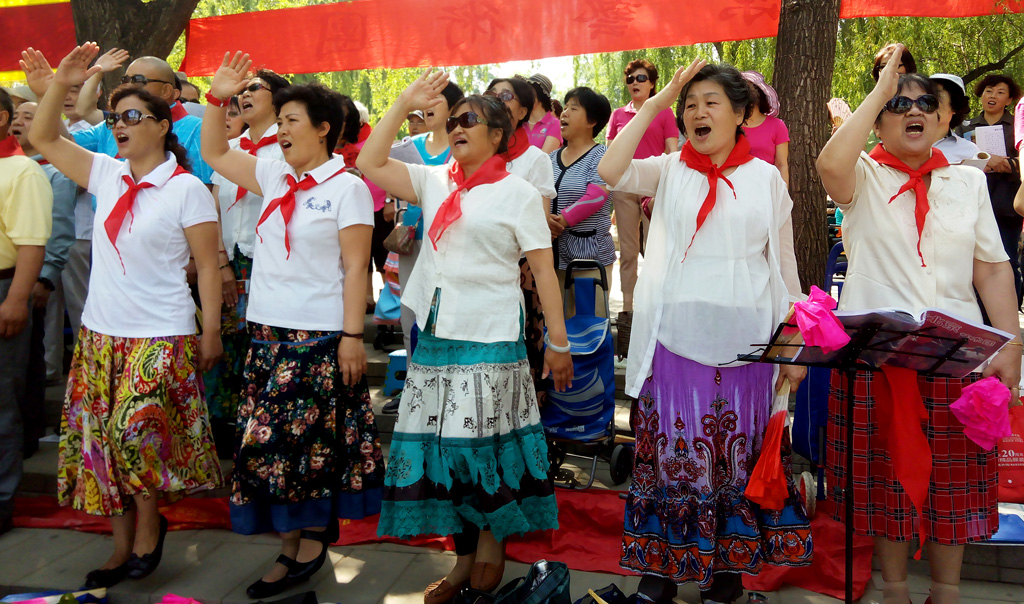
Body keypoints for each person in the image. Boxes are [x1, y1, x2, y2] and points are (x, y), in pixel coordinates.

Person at [598, 60, 811, 604]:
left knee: (734, 462)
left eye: (711, 102)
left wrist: (793, 342)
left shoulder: (767, 179)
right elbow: (610, 169)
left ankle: (725, 578)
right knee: (672, 459)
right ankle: (661, 574)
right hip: (675, 340)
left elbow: (784, 265)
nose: (698, 112)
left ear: (741, 114)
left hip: (748, 348)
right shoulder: (669, 169)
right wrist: (655, 102)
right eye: (690, 104)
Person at [357, 71, 573, 604]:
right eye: (452, 120)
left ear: (498, 135)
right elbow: (369, 162)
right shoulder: (434, 181)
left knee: (483, 448)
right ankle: (462, 559)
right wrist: (403, 102)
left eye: (469, 119)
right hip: (437, 337)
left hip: (492, 336)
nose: (456, 126)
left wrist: (559, 343)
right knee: (445, 455)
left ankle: (492, 544)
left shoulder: (519, 194)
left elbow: (544, 273)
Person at [816, 47, 1021, 604]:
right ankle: (895, 590)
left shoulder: (967, 182)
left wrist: (1012, 343)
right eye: (899, 104)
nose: (914, 111)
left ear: (944, 119)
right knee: (886, 484)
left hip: (958, 356)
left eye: (926, 103)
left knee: (954, 484)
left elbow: (992, 267)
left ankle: (947, 592)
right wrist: (880, 90)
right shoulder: (862, 175)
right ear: (880, 120)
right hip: (879, 359)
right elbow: (829, 165)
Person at [30, 43, 224, 588]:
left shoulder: (187, 189)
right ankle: (121, 549)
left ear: (162, 126)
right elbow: (44, 138)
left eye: (133, 116)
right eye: (116, 117)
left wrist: (211, 331)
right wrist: (60, 84)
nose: (120, 125)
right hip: (100, 335)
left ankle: (150, 526)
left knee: (132, 434)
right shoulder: (107, 174)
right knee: (99, 447)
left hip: (161, 333)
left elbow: (208, 268)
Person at [201, 51, 384, 599]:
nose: (279, 130)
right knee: (272, 448)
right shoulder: (272, 173)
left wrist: (353, 337)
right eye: (277, 120)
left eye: (291, 120)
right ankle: (298, 540)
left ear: (323, 128)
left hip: (318, 339)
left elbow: (356, 268)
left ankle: (299, 548)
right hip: (265, 335)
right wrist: (216, 97)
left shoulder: (347, 188)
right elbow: (213, 152)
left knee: (295, 449)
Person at [205, 69, 289, 428]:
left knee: (265, 340)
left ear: (278, 98)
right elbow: (213, 207)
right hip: (228, 261)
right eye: (242, 89)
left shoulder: (289, 148)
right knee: (228, 342)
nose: (245, 94)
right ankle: (225, 424)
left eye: (255, 87)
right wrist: (220, 262)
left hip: (270, 262)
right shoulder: (229, 148)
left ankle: (261, 423)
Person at [485, 76, 557, 401]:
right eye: (492, 94)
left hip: (521, 269)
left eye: (506, 96)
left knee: (521, 355)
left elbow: (539, 225)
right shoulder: (472, 155)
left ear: (523, 110)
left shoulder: (534, 159)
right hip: (480, 269)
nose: (496, 100)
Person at [10, 102, 76, 458]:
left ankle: (27, 435)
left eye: (29, 117)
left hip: (29, 278)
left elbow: (60, 230)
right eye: (16, 116)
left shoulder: (54, 172)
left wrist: (46, 278)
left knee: (27, 362)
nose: (19, 122)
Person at [0, 87, 52, 536]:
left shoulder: (23, 170)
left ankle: (1, 500)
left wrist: (16, 299)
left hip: (4, 285)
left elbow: (32, 244)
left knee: (1, 400)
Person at [387, 81, 464, 361]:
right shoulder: (409, 146)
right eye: (425, 100)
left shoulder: (462, 146)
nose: (427, 106)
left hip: (449, 241)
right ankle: (413, 378)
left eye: (436, 100)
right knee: (411, 314)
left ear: (454, 108)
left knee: (446, 316)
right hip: (412, 240)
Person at [606, 59, 679, 352]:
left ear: (652, 83)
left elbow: (672, 152)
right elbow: (611, 154)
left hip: (654, 189)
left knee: (655, 249)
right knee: (628, 253)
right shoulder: (618, 115)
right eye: (630, 79)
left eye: (641, 78)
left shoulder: (664, 112)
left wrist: (671, 190)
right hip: (624, 189)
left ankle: (654, 304)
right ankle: (628, 311)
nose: (634, 83)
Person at [958, 73, 1023, 307]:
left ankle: (1008, 313)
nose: (992, 96)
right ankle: (979, 314)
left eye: (1000, 92)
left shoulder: (1016, 126)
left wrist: (1005, 164)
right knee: (973, 263)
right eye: (989, 91)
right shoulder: (965, 127)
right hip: (973, 204)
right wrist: (982, 161)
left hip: (1007, 205)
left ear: (1009, 100)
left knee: (1007, 260)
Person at [548, 86, 615, 304]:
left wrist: (560, 221)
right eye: (565, 107)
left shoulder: (602, 155)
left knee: (589, 320)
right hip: (552, 259)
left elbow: (596, 196)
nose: (564, 113)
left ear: (591, 121)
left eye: (573, 108)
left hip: (589, 260)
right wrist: (543, 220)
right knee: (556, 321)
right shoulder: (549, 159)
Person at [740, 70, 790, 186]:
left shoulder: (777, 126)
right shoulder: (732, 126)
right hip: (736, 188)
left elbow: (781, 165)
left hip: (767, 187)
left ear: (759, 98)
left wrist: (783, 193)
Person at [930, 74, 983, 164]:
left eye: (937, 95)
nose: (929, 102)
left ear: (955, 106)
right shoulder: (906, 143)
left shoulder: (969, 152)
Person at [521, 73, 562, 153]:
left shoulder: (555, 124)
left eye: (529, 92)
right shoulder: (520, 122)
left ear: (540, 96)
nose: (524, 96)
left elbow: (544, 157)